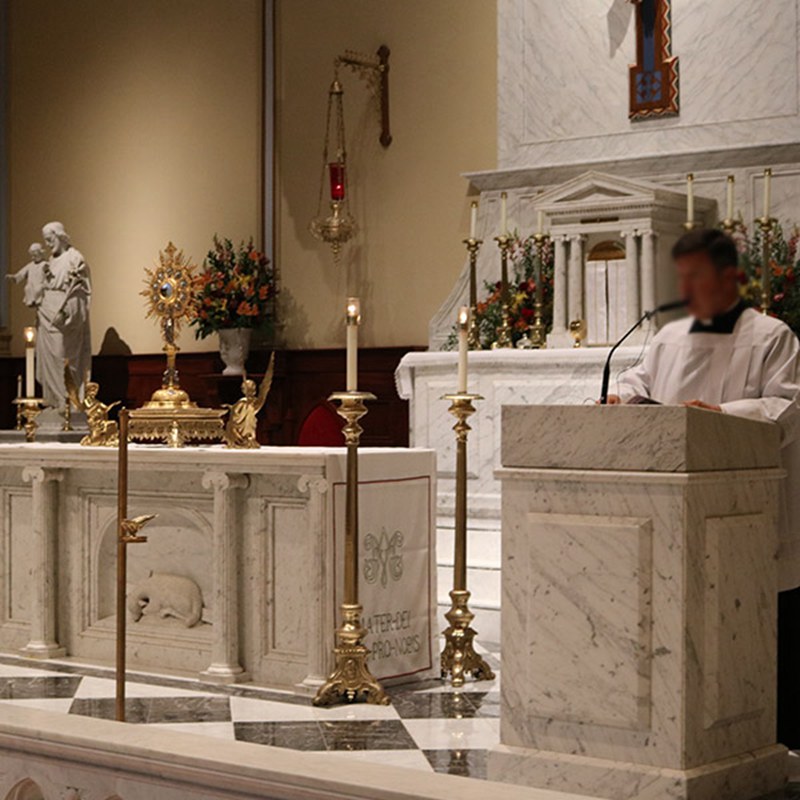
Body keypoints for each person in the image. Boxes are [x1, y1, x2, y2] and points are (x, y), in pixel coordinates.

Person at [606, 227, 800, 748]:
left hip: (746, 510)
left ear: (728, 276)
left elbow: (787, 407)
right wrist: (621, 398)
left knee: (750, 629)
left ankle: (766, 737)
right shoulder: (668, 336)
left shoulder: (771, 335)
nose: (686, 286)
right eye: (682, 276)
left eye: (696, 275)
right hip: (674, 508)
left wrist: (722, 415)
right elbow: (635, 381)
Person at [37, 221, 92, 408]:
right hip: (46, 315)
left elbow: (81, 291)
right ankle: (55, 402)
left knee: (64, 356)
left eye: (50, 239)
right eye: (45, 241)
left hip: (65, 317)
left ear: (59, 236)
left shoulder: (74, 258)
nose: (48, 244)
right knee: (49, 359)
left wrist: (68, 311)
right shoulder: (50, 261)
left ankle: (69, 401)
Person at [6, 243, 48, 308]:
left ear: (41, 254)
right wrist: (15, 277)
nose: (33, 258)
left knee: (38, 289)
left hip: (40, 284)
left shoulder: (44, 264)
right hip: (31, 285)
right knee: (27, 288)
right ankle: (31, 301)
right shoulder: (30, 265)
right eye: (32, 256)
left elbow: (49, 272)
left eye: (35, 256)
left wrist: (47, 270)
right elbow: (22, 273)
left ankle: (37, 301)